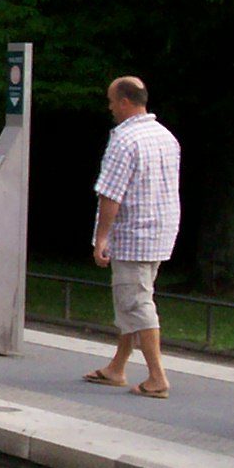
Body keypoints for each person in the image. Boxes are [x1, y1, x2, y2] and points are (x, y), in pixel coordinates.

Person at [81, 76, 181, 398]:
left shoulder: (124, 140)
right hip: (160, 232)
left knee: (136, 303)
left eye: (112, 101)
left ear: (125, 102)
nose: (110, 107)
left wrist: (101, 238)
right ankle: (117, 367)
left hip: (132, 234)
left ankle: (157, 378)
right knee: (134, 297)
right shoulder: (165, 136)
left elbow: (111, 194)